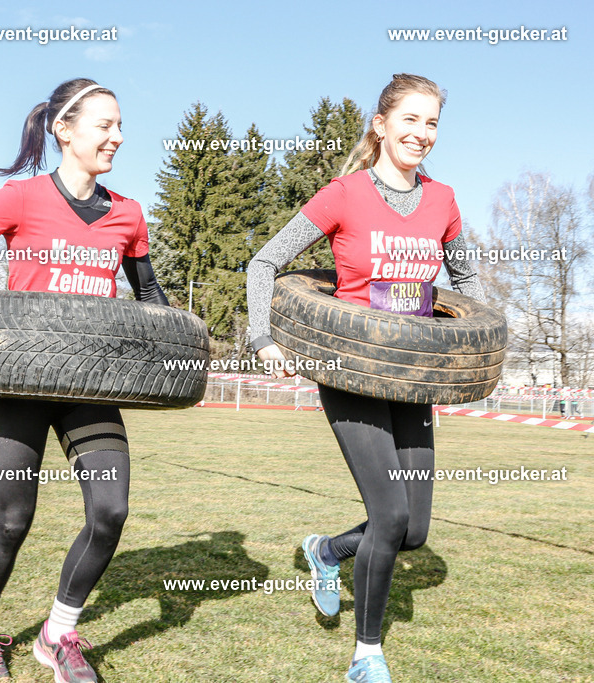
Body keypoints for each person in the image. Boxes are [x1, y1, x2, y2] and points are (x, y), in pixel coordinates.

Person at [0, 78, 168, 681]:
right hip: (21, 381)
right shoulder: (21, 198)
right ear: (64, 129)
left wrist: (173, 350)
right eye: (105, 125)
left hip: (90, 386)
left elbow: (148, 294)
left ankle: (58, 633)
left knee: (110, 512)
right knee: (13, 520)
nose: (118, 137)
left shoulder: (127, 213)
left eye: (121, 125)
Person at [245, 74, 485, 683]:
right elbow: (265, 261)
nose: (422, 134)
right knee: (389, 514)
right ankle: (367, 654)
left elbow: (467, 286)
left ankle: (325, 551)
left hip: (413, 379)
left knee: (414, 531)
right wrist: (262, 337)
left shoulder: (444, 200)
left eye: (432, 123)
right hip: (349, 373)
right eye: (410, 120)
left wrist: (471, 345)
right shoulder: (344, 194)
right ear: (381, 125)